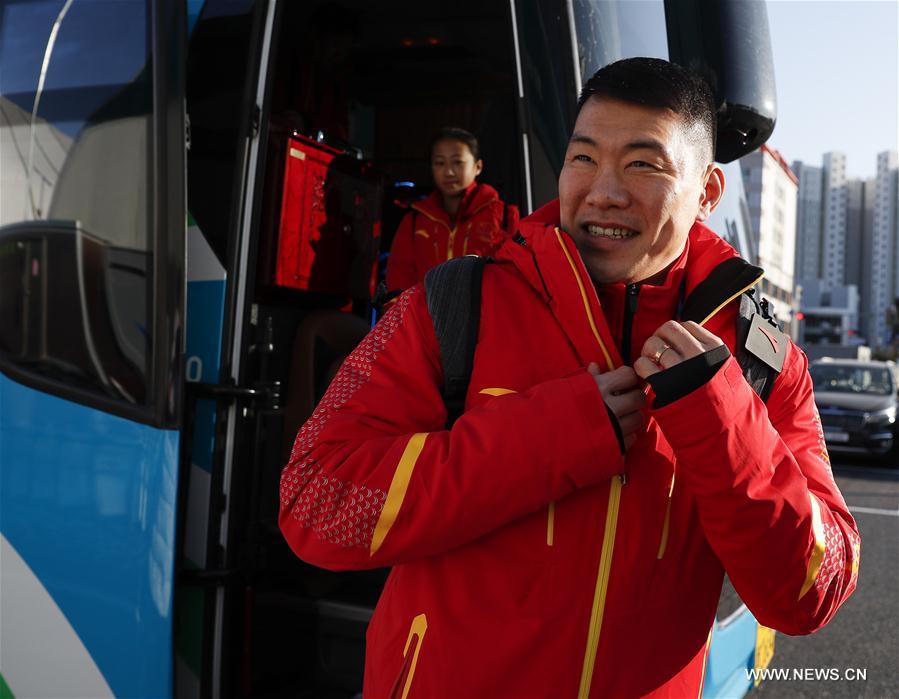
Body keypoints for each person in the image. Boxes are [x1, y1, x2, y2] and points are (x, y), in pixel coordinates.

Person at [280, 58, 859, 698]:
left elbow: (814, 592)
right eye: (584, 158)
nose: (603, 191)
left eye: (644, 164)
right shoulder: (448, 305)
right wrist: (551, 436)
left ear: (708, 191)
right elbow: (315, 505)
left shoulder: (764, 363)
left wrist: (720, 416)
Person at [385, 127, 519, 292]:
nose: (448, 172)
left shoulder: (505, 217)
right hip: (426, 316)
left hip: (487, 316)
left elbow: (516, 276)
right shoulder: (414, 222)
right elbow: (398, 283)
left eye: (457, 162)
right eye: (440, 163)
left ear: (478, 166)